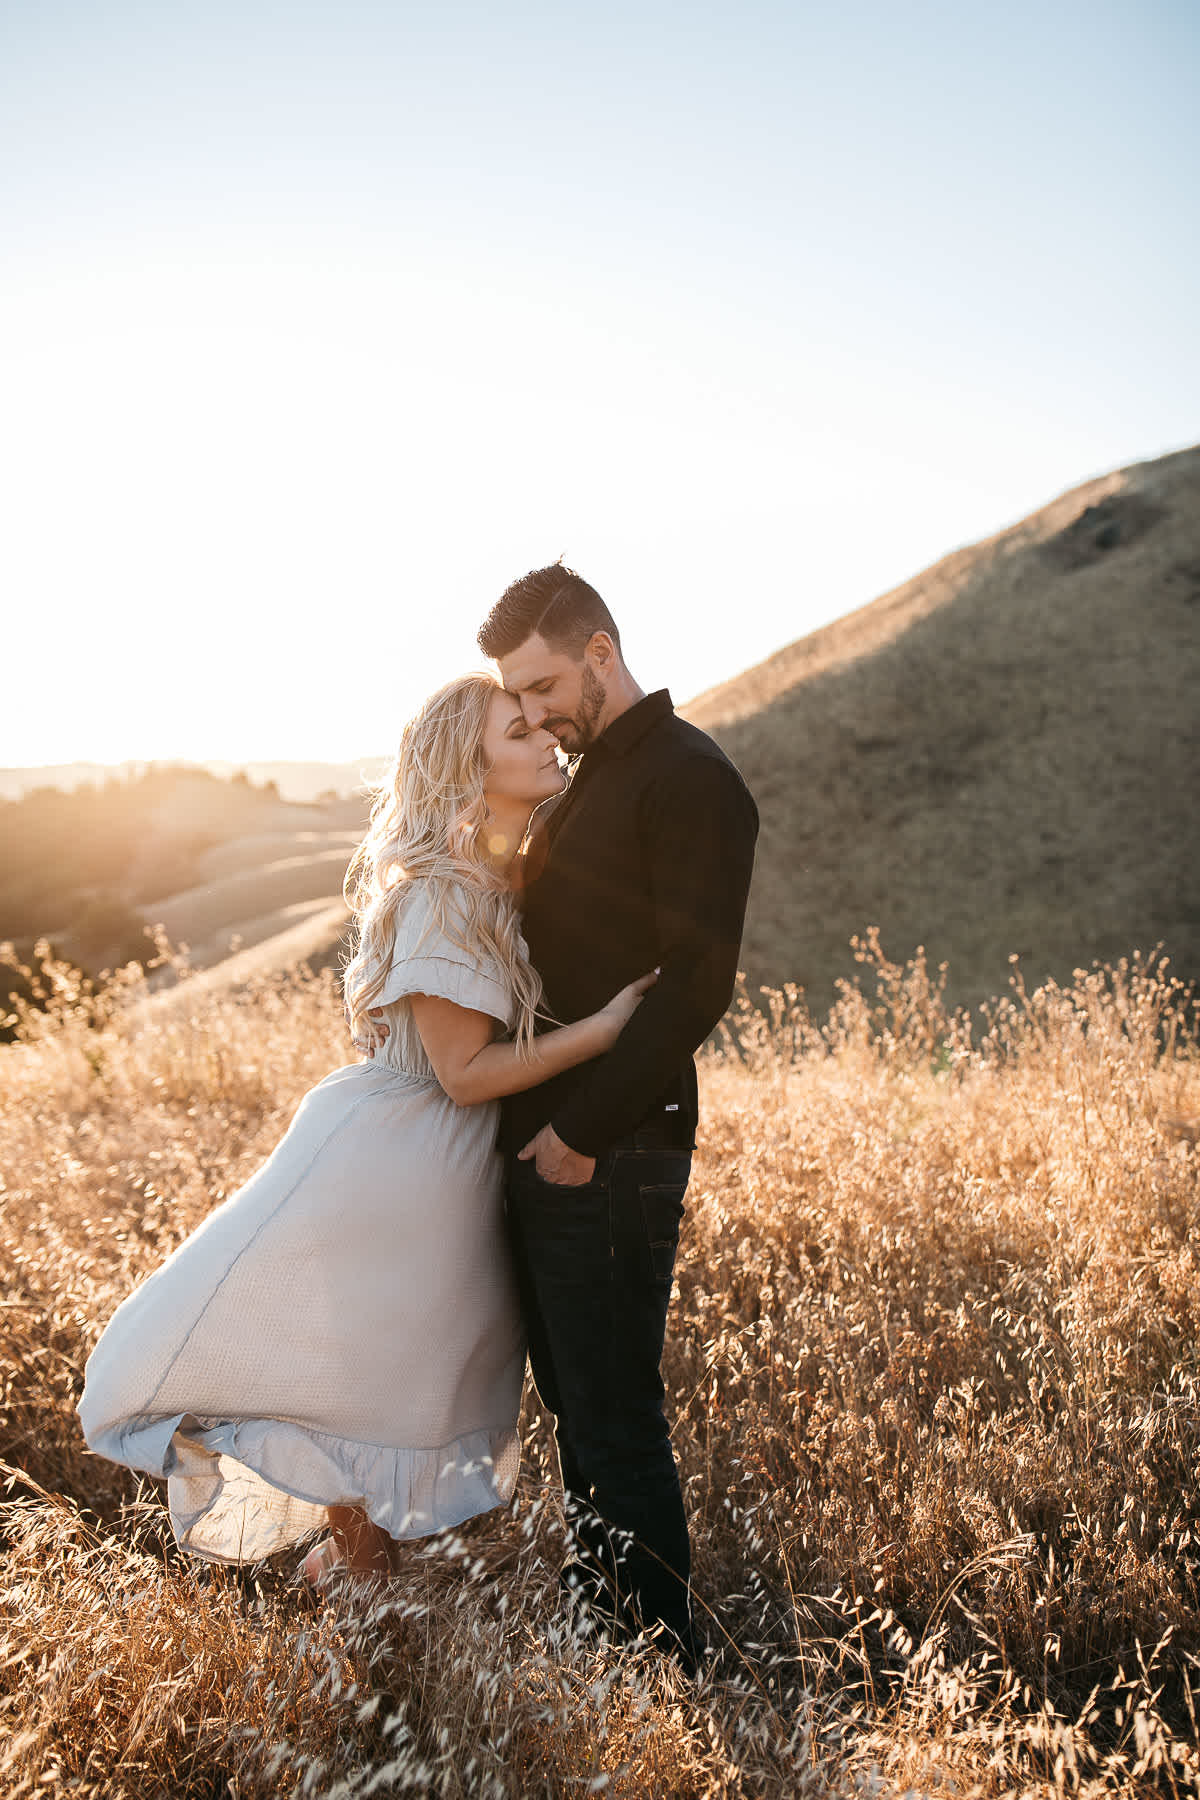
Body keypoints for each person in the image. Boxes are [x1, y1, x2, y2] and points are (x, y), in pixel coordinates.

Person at [77, 672, 656, 1581]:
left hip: (427, 1163)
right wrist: (603, 1032)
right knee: (372, 1397)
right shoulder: (444, 893)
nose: (549, 738)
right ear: (471, 767)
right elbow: (462, 1075)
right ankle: (362, 1613)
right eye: (519, 731)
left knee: (387, 1394)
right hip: (399, 1159)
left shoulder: (485, 876)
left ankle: (354, 1595)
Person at [476, 563, 759, 1670]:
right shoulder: (587, 778)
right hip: (554, 1139)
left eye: (545, 681)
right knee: (578, 1409)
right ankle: (605, 1640)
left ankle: (659, 1664)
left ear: (601, 650)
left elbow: (697, 986)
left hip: (616, 1142)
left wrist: (581, 1134)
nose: (536, 711)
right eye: (520, 694)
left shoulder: (692, 780)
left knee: (615, 1409)